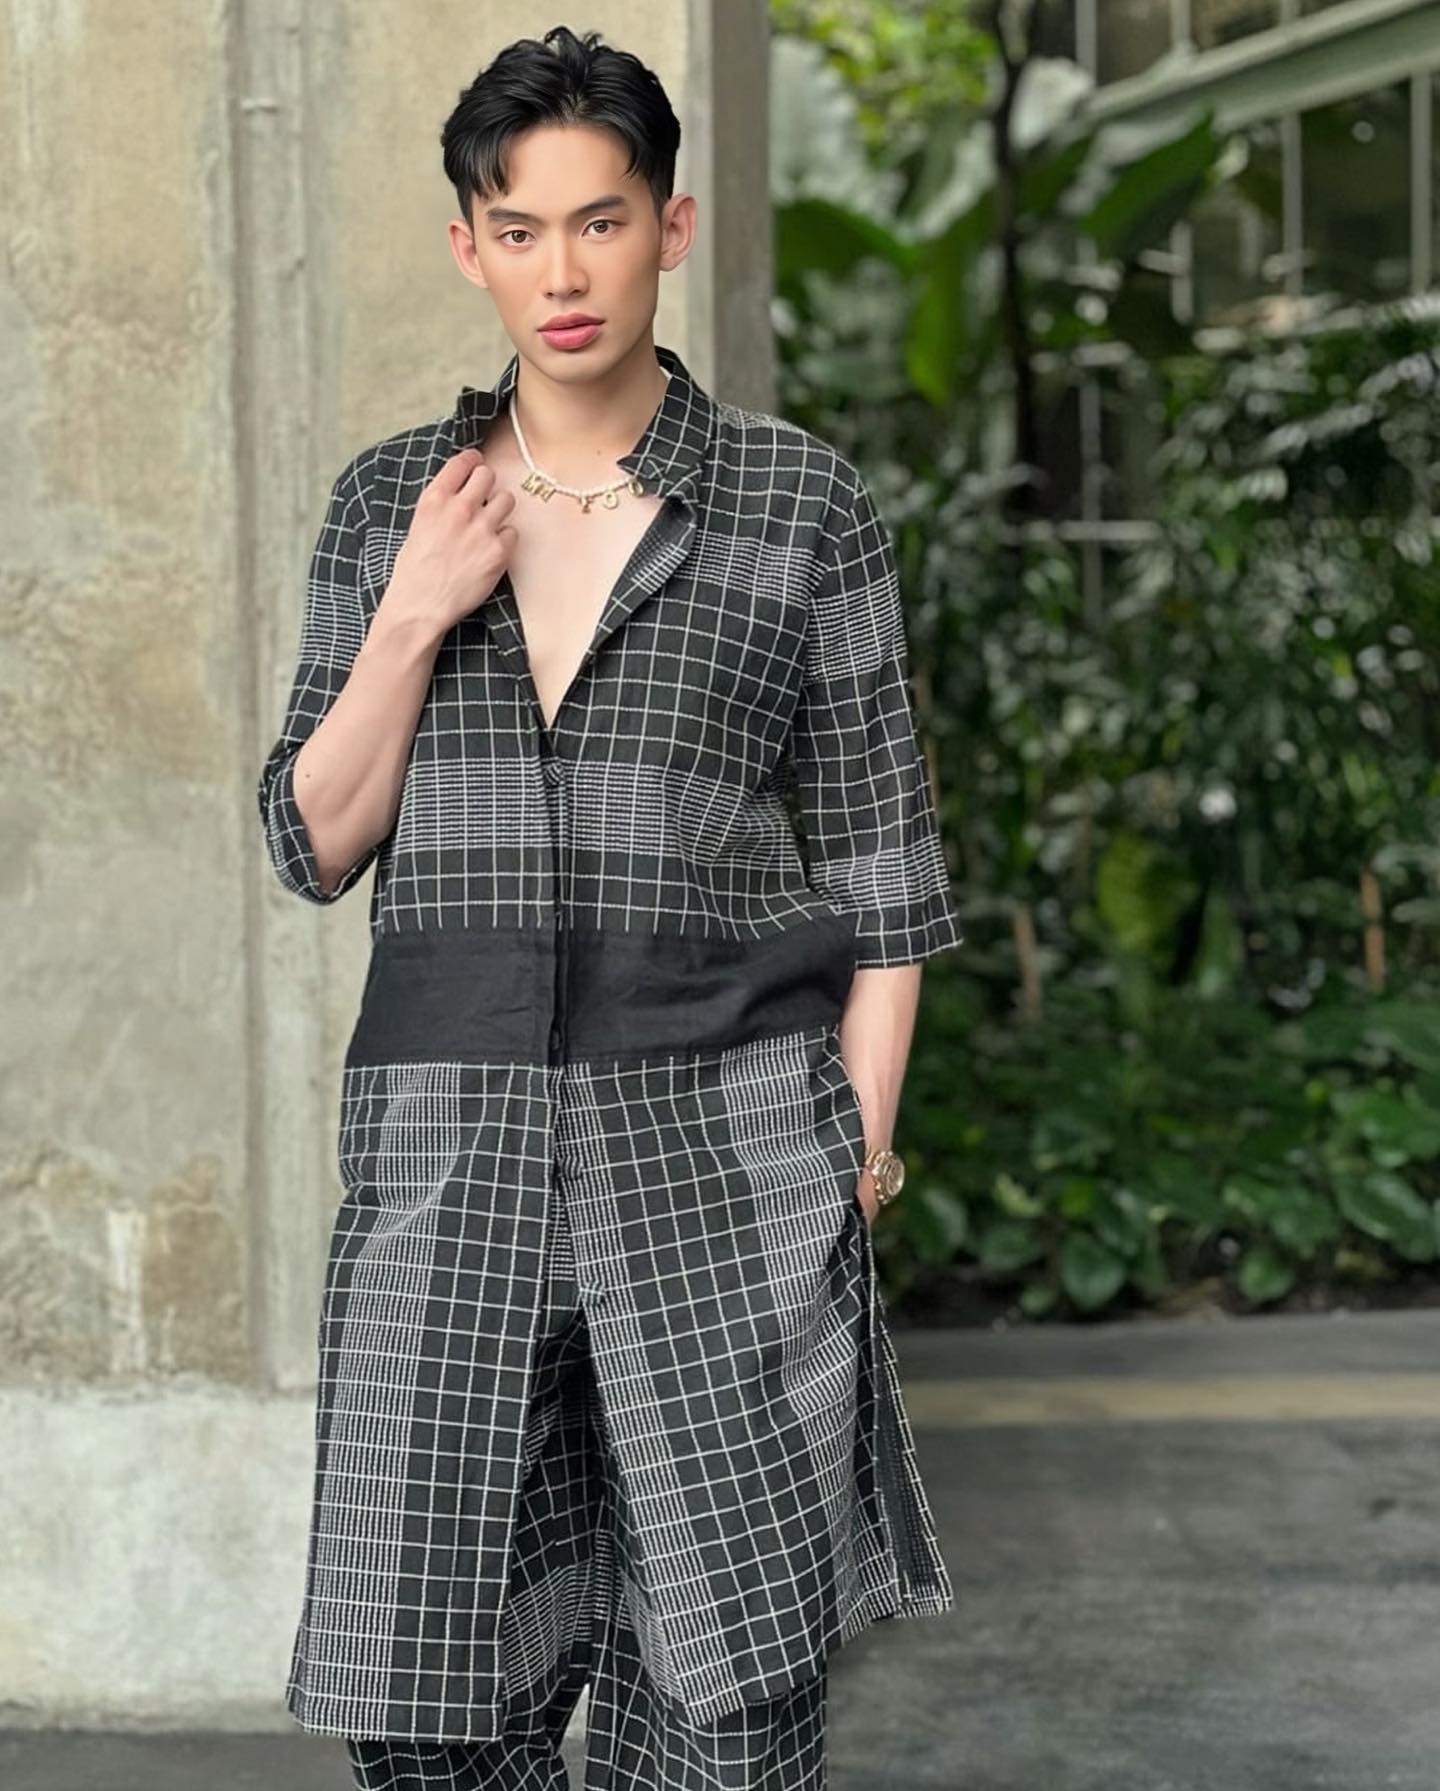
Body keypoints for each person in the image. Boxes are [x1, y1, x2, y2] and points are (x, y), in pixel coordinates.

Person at [256, 24, 963, 1791]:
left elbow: (884, 870)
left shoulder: (799, 506)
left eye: (600, 221)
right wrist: (415, 610)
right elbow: (313, 840)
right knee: (428, 1708)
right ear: (468, 247)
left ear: (670, 226)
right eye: (519, 230)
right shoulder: (388, 507)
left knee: (730, 1709)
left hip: (725, 1160)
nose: (561, 274)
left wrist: (858, 1154)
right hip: (450, 1162)